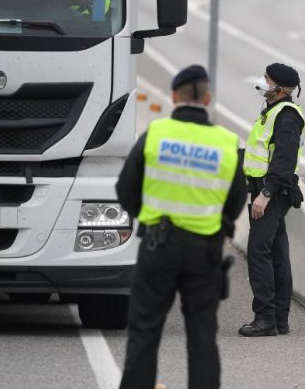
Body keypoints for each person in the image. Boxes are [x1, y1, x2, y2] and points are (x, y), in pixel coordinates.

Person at [116, 65, 247, 389]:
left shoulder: (156, 134)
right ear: (208, 97)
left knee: (145, 330)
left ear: (174, 96)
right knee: (202, 336)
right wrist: (216, 226)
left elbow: (125, 188)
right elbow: (236, 200)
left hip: (158, 246)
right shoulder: (226, 143)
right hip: (204, 252)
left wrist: (147, 218)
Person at [238, 63, 305, 337]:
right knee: (277, 254)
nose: (262, 82)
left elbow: (285, 160)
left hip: (272, 192)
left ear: (279, 88)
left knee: (258, 252)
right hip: (266, 188)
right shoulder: (274, 111)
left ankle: (265, 318)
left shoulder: (287, 116)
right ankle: (279, 319)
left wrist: (265, 195)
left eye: (267, 80)